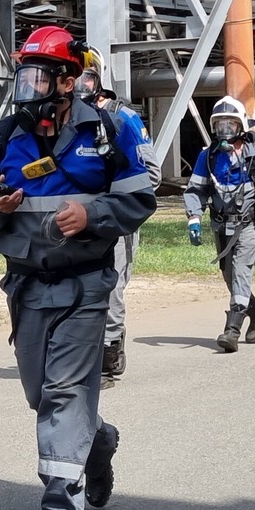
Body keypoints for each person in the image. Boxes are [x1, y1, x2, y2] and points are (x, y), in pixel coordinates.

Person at [0, 25, 158, 510]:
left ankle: (61, 506)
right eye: (23, 76)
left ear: (68, 80)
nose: (28, 87)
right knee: (39, 394)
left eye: (39, 77)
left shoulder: (108, 130)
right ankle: (98, 442)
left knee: (65, 391)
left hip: (84, 285)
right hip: (26, 287)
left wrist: (92, 212)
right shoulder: (6, 135)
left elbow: (142, 200)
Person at [76, 52, 162, 387]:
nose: (78, 85)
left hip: (113, 220)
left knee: (110, 287)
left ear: (97, 80)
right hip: (76, 220)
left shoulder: (121, 117)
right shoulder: (66, 121)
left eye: (86, 77)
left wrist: (111, 202)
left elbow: (151, 175)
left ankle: (110, 355)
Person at [183, 96, 255, 352]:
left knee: (241, 273)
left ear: (241, 126)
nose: (225, 131)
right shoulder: (207, 157)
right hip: (220, 227)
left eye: (230, 125)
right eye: (220, 126)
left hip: (247, 227)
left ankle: (231, 331)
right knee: (230, 278)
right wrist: (194, 218)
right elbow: (196, 190)